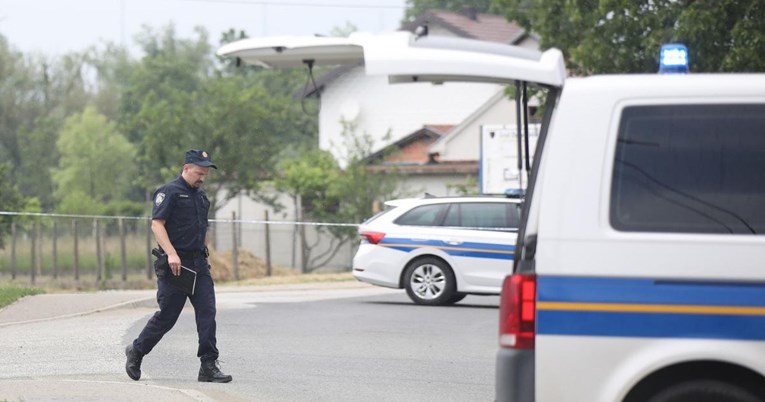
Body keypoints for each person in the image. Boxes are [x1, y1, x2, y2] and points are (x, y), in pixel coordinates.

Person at [125, 149, 232, 383]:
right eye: (198, 172)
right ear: (186, 169)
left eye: (205, 174)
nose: (202, 177)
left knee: (207, 312)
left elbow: (202, 229)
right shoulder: (169, 192)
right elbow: (157, 225)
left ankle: (208, 365)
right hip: (175, 265)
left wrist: (205, 255)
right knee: (168, 316)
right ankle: (137, 351)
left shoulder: (202, 197)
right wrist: (172, 254)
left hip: (198, 264)